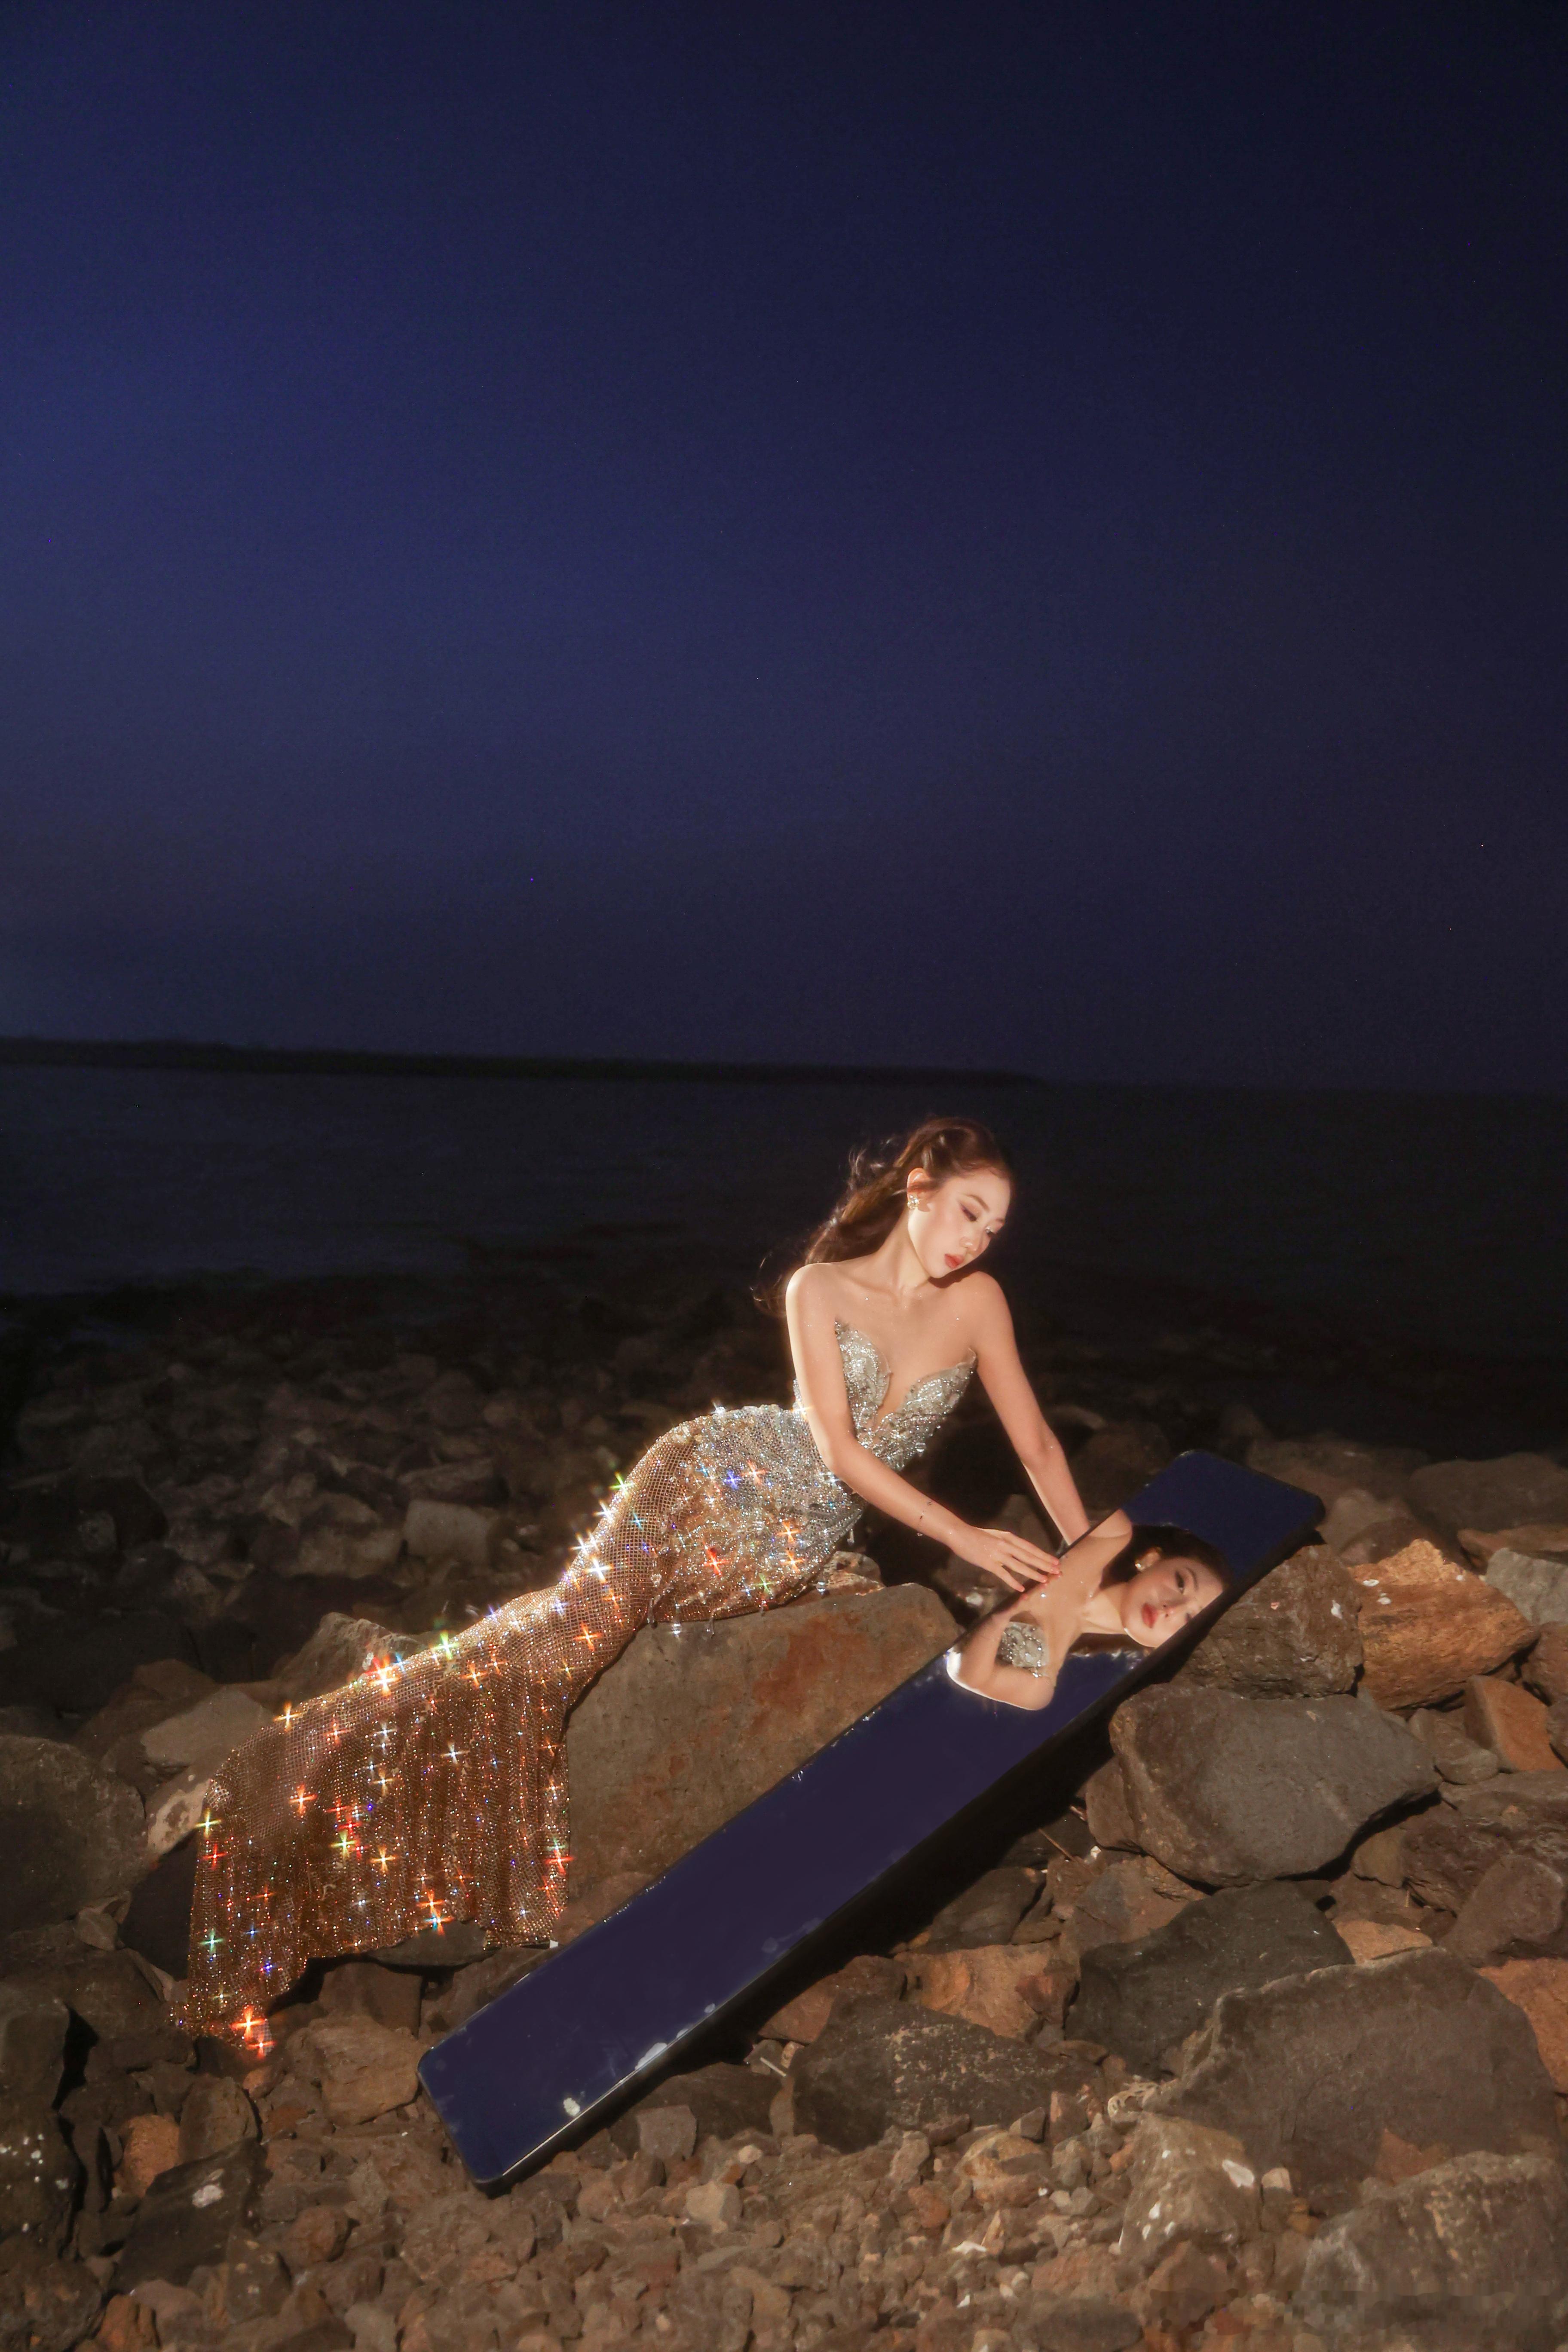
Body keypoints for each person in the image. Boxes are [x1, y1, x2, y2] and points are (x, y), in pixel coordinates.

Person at [181, 1116, 1092, 2037]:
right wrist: (966, 1537)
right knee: (553, 1649)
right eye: (968, 1212)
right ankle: (295, 1788)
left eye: (994, 1228)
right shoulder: (818, 1287)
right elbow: (837, 1452)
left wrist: (1097, 1550)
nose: (977, 1240)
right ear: (918, 1188)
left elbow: (1039, 1446)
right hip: (706, 1487)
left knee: (550, 1637)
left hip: (799, 1546)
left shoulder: (979, 1303)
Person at [949, 1514, 1227, 1710]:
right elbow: (1042, 1461)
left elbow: (966, 1673)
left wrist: (1000, 1619)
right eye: (1181, 1583)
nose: (1172, 1609)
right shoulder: (1110, 1534)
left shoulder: (1040, 1683)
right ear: (1153, 1559)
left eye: (1190, 1621)